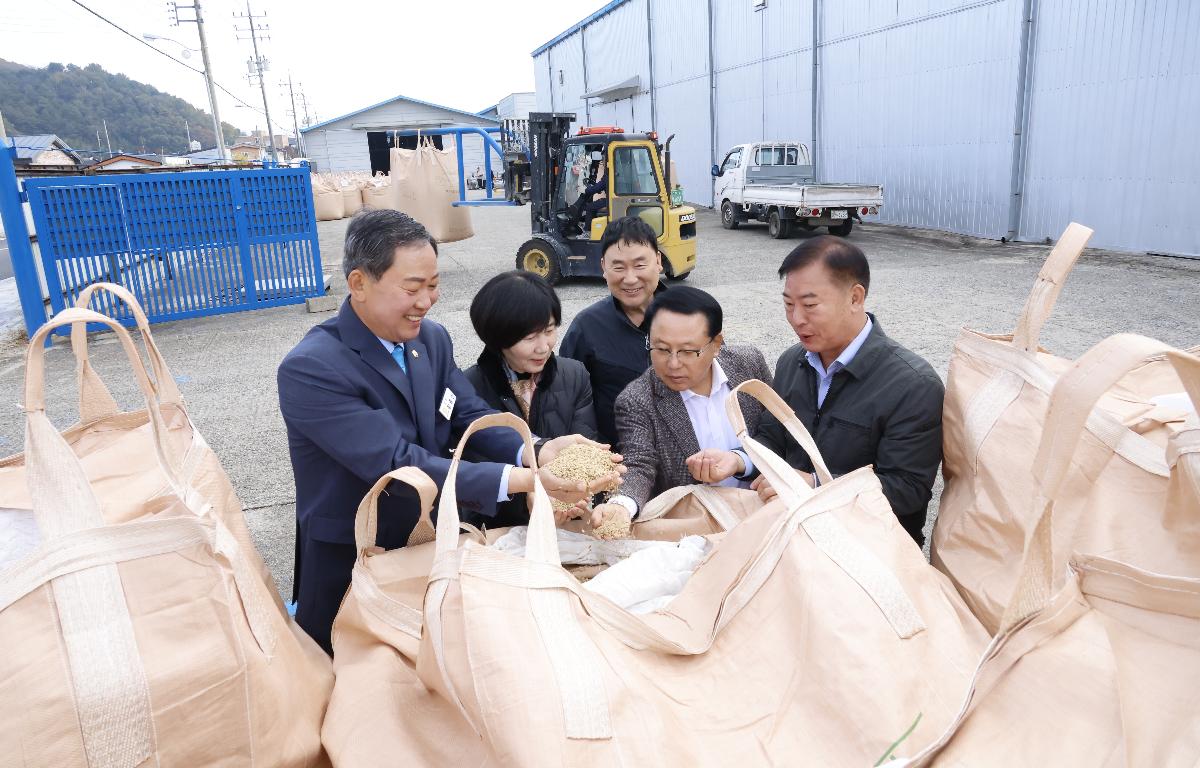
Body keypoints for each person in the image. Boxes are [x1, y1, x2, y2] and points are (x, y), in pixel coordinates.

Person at [277, 210, 614, 653]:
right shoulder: (312, 368)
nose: (427, 300)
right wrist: (525, 480)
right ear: (358, 283)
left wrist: (540, 449)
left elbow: (468, 416)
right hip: (356, 554)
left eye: (433, 285)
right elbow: (396, 463)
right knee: (346, 676)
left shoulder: (429, 340)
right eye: (412, 287)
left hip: (430, 538)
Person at [750, 236, 944, 545]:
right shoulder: (792, 362)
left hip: (870, 550)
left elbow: (906, 489)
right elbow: (772, 435)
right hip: (791, 535)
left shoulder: (913, 384)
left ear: (855, 298)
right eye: (789, 305)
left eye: (810, 305)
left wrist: (816, 486)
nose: (797, 319)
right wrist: (739, 461)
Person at [607, 286, 773, 520]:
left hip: (764, 512)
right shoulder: (637, 400)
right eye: (662, 349)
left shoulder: (748, 365)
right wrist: (622, 505)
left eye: (687, 351)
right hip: (694, 528)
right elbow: (639, 464)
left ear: (716, 344)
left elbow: (775, 432)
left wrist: (740, 461)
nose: (673, 364)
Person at [464, 270, 598, 527]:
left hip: (568, 520)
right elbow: (472, 475)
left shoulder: (575, 375)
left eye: (549, 330)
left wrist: (575, 496)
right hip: (500, 529)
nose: (543, 346)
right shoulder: (468, 389)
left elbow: (584, 448)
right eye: (529, 337)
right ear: (497, 337)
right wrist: (527, 495)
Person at [560, 216, 665, 448]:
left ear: (658, 261)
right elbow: (568, 401)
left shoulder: (689, 315)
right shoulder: (586, 326)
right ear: (603, 269)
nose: (630, 278)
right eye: (618, 267)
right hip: (619, 460)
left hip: (688, 458)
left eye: (639, 265)